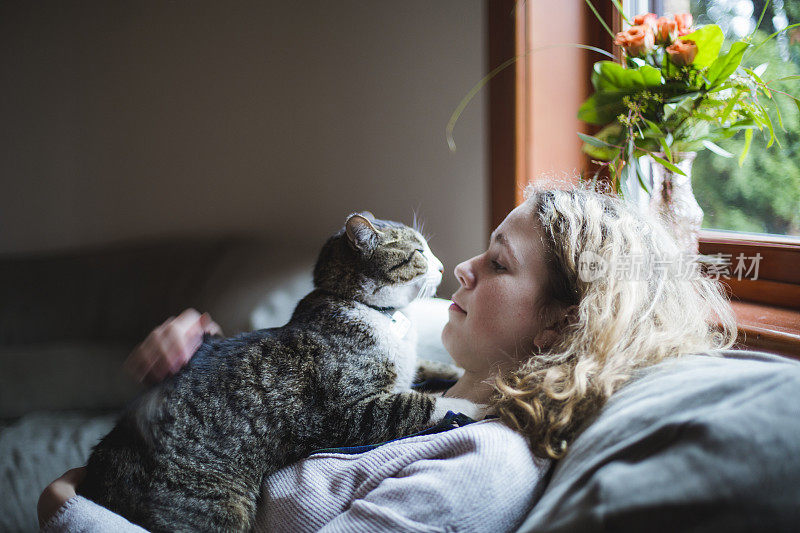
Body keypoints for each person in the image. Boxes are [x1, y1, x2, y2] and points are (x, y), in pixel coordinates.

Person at [38, 184, 737, 532]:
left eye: (497, 263)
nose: (462, 267)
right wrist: (203, 365)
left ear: (560, 324)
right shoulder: (432, 384)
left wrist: (67, 503)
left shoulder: (484, 466)